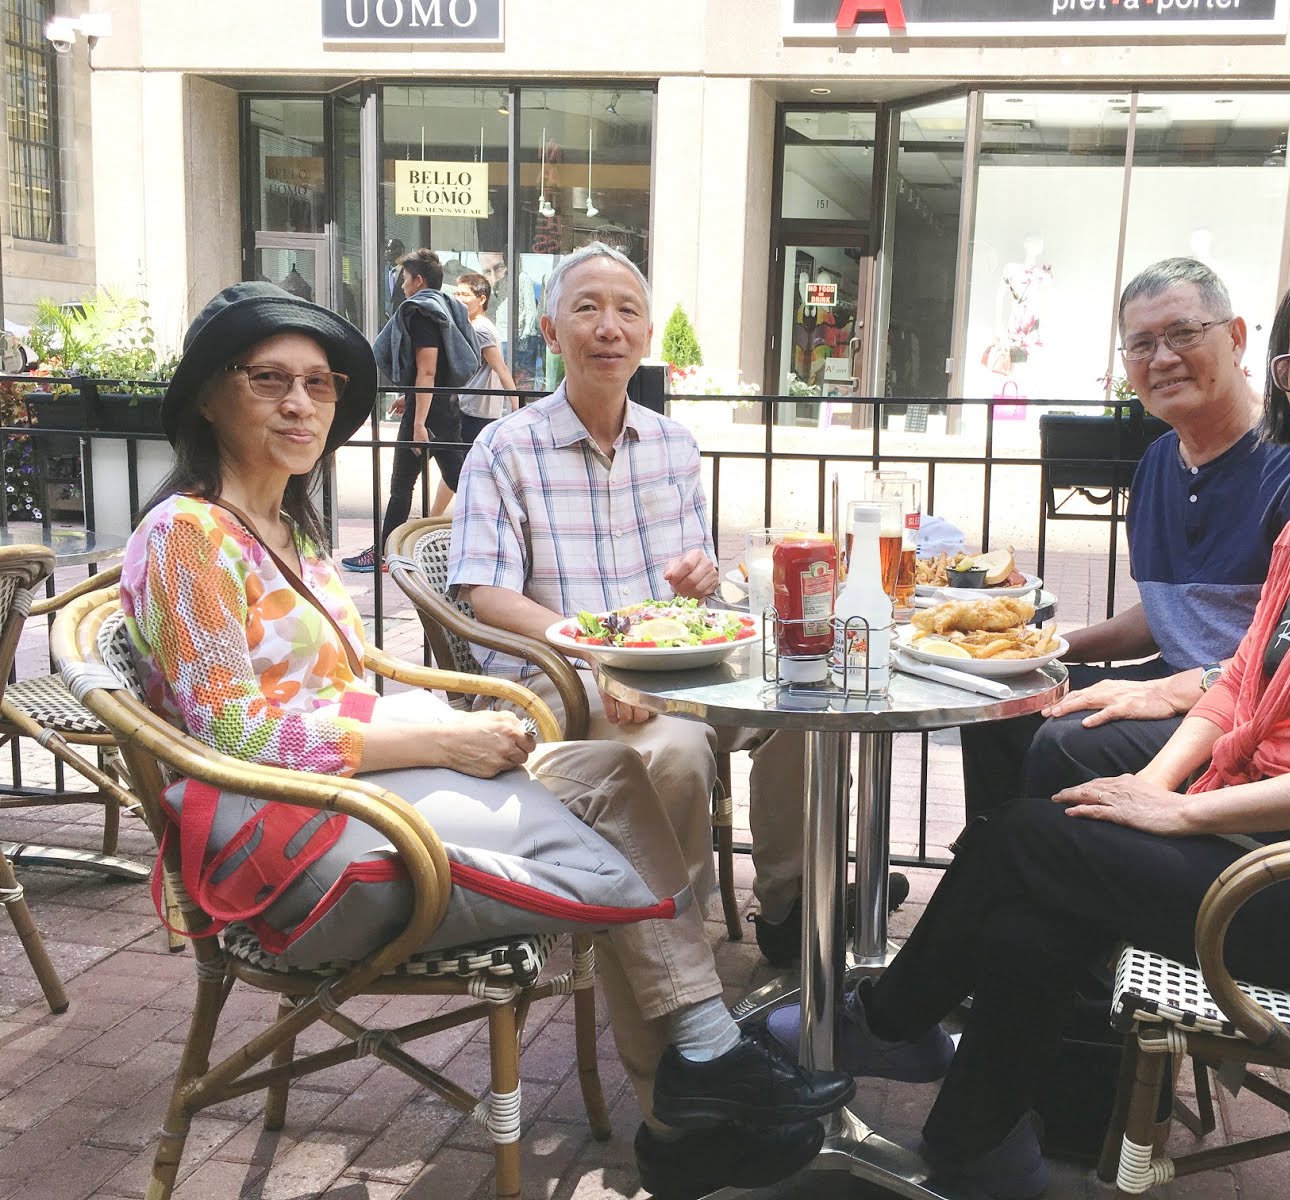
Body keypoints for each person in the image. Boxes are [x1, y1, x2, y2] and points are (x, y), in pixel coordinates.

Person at [770, 243, 1290, 1198]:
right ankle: (970, 1147)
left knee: (1020, 842)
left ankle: (888, 1019)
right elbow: (1239, 688)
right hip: (1278, 848)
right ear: (1282, 372)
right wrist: (1150, 788)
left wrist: (1182, 815)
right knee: (1048, 881)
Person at [125, 282, 854, 1200]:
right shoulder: (187, 536)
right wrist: (440, 737)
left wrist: (449, 731)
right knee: (623, 803)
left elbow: (334, 694)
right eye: (269, 380)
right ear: (208, 396)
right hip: (296, 846)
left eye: (320, 383)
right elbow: (235, 732)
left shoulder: (287, 530)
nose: (302, 402)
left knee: (615, 777)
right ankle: (703, 1071)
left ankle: (703, 1057)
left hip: (357, 799)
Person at [448, 241, 908, 968]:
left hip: (679, 672)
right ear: (550, 331)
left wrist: (703, 577)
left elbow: (699, 593)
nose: (609, 327)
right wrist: (598, 652)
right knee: (680, 748)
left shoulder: (672, 445)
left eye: (627, 311)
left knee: (812, 714)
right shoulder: (506, 449)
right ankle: (675, 956)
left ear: (646, 334)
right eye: (588, 308)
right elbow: (484, 594)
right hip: (564, 680)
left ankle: (789, 906)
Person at [961, 258, 1290, 820]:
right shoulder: (1159, 462)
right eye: (1141, 346)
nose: (1162, 358)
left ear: (1235, 338)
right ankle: (997, 859)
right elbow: (1166, 616)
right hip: (1174, 684)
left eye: (1183, 333)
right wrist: (1043, 648)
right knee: (995, 703)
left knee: (1066, 741)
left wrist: (1174, 691)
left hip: (1253, 709)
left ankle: (1045, 877)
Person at [342, 248, 473, 574]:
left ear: (417, 280)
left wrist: (418, 421)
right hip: (443, 407)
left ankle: (385, 553)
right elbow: (433, 373)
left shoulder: (422, 313)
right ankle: (492, 533)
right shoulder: (447, 306)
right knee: (463, 480)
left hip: (428, 413)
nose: (401, 286)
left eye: (403, 279)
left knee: (403, 485)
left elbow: (427, 370)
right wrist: (411, 398)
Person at [453, 271, 519, 443]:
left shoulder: (480, 330)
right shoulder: (476, 326)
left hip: (475, 410)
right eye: (457, 293)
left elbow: (501, 368)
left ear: (481, 299)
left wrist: (515, 404)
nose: (459, 298)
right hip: (476, 408)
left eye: (465, 295)